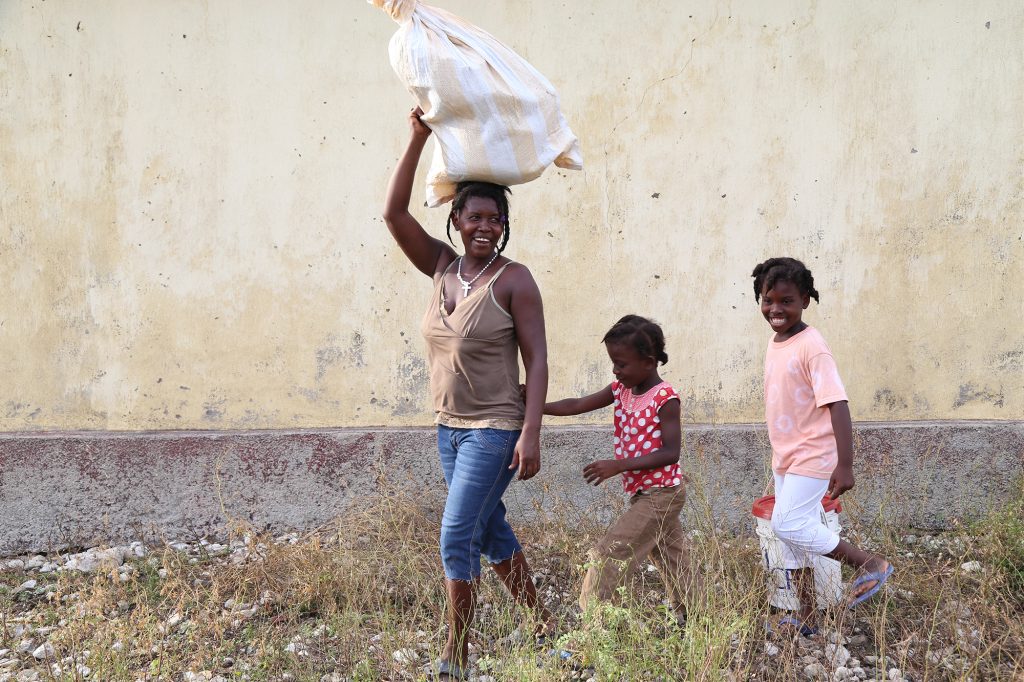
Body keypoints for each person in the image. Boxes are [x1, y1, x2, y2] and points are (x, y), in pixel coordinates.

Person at [382, 107, 553, 680]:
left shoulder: (515, 280)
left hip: (496, 430)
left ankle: (455, 656)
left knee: (457, 534)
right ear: (455, 219)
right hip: (448, 429)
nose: (485, 227)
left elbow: (538, 359)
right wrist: (416, 139)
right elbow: (392, 213)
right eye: (474, 216)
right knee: (489, 529)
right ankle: (546, 625)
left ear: (504, 225)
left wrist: (530, 433)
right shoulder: (440, 267)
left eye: (495, 219)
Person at [751, 257, 893, 637]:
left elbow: (838, 404)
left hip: (814, 455)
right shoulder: (776, 341)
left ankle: (869, 563)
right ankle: (807, 616)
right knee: (791, 536)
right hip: (787, 456)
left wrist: (844, 464)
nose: (776, 309)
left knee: (787, 522)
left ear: (805, 301)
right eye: (769, 300)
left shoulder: (812, 346)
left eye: (787, 301)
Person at [544, 315, 702, 625]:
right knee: (672, 557)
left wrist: (619, 466)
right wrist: (536, 406)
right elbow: (577, 404)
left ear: (649, 362)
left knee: (607, 554)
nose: (616, 371)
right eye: (613, 364)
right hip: (647, 494)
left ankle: (593, 628)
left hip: (663, 494)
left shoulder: (665, 399)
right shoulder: (621, 389)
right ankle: (697, 615)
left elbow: (671, 452)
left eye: (621, 364)